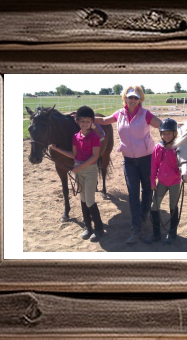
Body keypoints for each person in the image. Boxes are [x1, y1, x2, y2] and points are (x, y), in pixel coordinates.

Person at [93, 86, 162, 243]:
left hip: (146, 157)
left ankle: (144, 214)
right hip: (128, 160)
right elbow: (104, 120)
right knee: (132, 193)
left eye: (135, 98)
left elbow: (161, 125)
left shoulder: (145, 114)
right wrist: (86, 117)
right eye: (130, 97)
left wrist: (175, 128)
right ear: (125, 98)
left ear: (140, 100)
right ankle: (136, 227)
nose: (132, 100)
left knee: (147, 189)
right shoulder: (120, 114)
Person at [49, 106, 104, 242]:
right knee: (83, 199)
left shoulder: (94, 137)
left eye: (87, 121)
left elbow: (94, 157)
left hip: (89, 170)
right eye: (82, 121)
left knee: (90, 200)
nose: (84, 123)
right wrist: (58, 150)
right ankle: (87, 227)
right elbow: (73, 154)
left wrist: (78, 168)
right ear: (77, 122)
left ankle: (98, 228)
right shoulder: (75, 137)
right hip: (79, 170)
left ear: (92, 122)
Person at [144, 118, 181, 245]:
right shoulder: (158, 147)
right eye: (164, 133)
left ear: (175, 134)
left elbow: (184, 164)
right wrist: (153, 181)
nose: (166, 136)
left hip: (175, 182)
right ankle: (156, 234)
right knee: (154, 207)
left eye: (169, 133)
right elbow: (154, 165)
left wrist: (179, 173)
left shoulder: (179, 149)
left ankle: (172, 234)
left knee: (173, 208)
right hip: (162, 183)